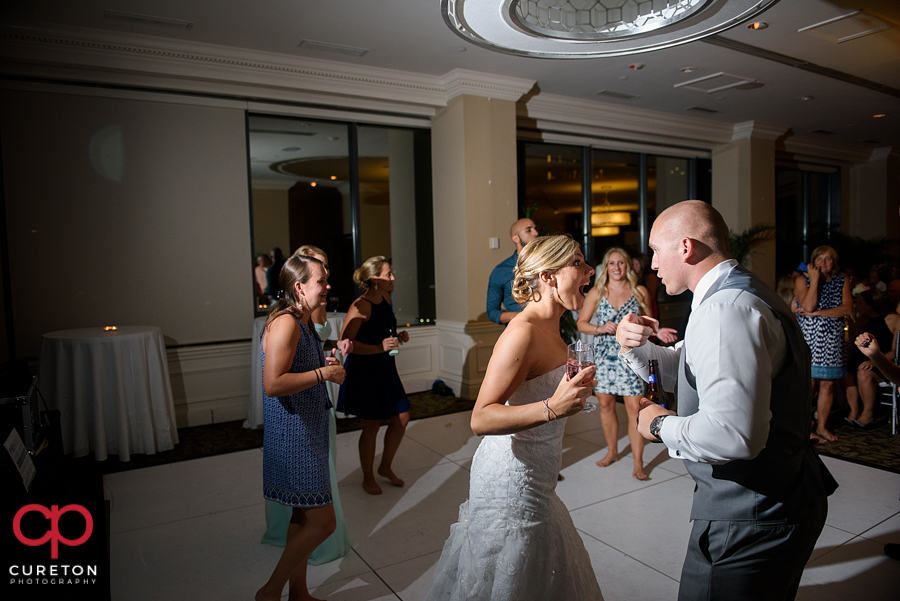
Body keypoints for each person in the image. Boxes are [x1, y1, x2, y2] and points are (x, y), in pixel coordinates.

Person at [616, 200, 837, 601]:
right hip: (779, 497)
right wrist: (635, 348)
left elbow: (732, 435)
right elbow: (687, 371)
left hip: (753, 514)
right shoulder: (737, 291)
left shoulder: (724, 309)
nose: (651, 264)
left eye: (655, 250)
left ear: (685, 248)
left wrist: (658, 425)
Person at [426, 235, 603, 600]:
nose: (589, 271)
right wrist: (553, 406)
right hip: (510, 481)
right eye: (579, 263)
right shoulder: (521, 332)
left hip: (540, 477)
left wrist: (571, 394)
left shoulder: (556, 327)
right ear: (549, 276)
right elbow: (481, 418)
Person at [256, 254, 346, 601]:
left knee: (303, 515)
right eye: (321, 281)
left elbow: (296, 365)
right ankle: (269, 591)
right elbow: (273, 383)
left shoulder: (302, 320)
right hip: (295, 437)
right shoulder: (286, 323)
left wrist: (323, 361)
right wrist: (325, 373)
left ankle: (299, 592)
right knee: (324, 523)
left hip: (307, 430)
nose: (327, 287)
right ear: (299, 286)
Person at [577, 246, 676, 480]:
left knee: (634, 409)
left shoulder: (639, 291)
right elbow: (581, 323)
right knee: (605, 405)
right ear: (606, 267)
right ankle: (612, 451)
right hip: (604, 358)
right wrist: (599, 328)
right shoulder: (597, 292)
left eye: (621, 263)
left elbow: (650, 322)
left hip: (630, 356)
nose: (617, 267)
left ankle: (638, 463)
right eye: (612, 263)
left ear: (628, 266)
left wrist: (658, 332)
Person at [337, 256, 411, 495]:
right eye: (388, 274)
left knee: (402, 417)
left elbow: (381, 331)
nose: (393, 278)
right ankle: (367, 477)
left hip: (386, 368)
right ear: (375, 280)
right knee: (371, 426)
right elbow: (345, 344)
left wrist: (398, 337)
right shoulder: (362, 305)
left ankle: (385, 467)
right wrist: (380, 347)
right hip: (365, 370)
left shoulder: (386, 298)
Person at [795, 245, 852, 441]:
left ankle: (822, 426)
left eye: (828, 259)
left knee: (827, 385)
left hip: (832, 339)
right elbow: (807, 305)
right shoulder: (802, 280)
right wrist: (815, 280)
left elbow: (846, 309)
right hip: (810, 338)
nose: (823, 263)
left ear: (834, 262)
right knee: (809, 385)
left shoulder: (841, 280)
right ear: (813, 261)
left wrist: (818, 314)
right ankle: (804, 427)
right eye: (819, 259)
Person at [849, 289, 900, 428]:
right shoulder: (864, 320)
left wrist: (875, 360)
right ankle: (853, 411)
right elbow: (853, 344)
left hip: (885, 364)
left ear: (872, 303)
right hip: (866, 360)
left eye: (861, 303)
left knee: (864, 372)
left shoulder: (894, 319)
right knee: (844, 371)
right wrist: (856, 325)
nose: (857, 306)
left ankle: (867, 414)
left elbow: (896, 351)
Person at [486, 218, 539, 324]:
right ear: (516, 238)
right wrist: (522, 316)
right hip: (519, 330)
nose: (536, 233)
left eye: (535, 229)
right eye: (528, 230)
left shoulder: (547, 265)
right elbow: (492, 312)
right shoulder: (501, 271)